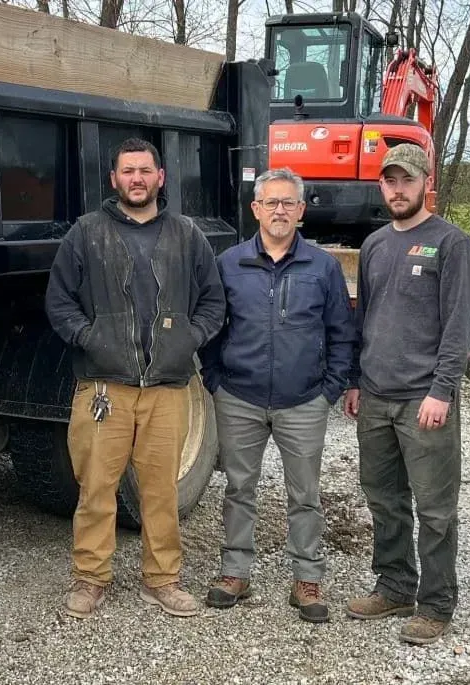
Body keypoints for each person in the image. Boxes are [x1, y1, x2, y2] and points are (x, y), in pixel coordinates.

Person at [44, 137, 226, 619]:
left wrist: (190, 338)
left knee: (160, 490)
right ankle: (90, 579)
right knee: (97, 488)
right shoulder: (86, 233)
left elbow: (214, 301)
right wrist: (88, 339)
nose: (137, 179)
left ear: (160, 177)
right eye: (128, 171)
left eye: (145, 170)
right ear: (114, 179)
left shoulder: (188, 235)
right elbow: (59, 302)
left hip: (167, 388)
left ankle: (162, 580)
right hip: (104, 388)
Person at [198, 167, 356, 623]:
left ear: (301, 211)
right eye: (272, 202)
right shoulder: (229, 263)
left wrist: (330, 388)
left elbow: (340, 332)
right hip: (240, 397)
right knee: (239, 487)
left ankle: (307, 579)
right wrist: (214, 379)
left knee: (304, 494)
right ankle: (235, 572)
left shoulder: (322, 267)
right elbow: (211, 327)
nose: (280, 210)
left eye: (289, 203)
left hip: (304, 400)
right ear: (256, 209)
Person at [343, 144, 470, 645]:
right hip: (375, 397)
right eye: (389, 181)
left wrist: (442, 390)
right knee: (384, 499)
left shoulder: (451, 243)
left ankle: (437, 603)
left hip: (425, 399)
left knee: (435, 509)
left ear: (426, 184)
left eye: (407, 180)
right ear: (381, 186)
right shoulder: (376, 243)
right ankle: (396, 585)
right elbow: (367, 318)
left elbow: (459, 323)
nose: (397, 189)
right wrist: (356, 381)